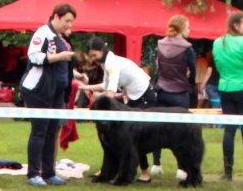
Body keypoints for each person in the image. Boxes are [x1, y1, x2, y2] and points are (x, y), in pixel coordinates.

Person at [78, 37, 157, 181]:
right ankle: (110, 170)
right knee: (128, 136)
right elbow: (105, 85)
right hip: (134, 96)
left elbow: (111, 91)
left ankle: (145, 173)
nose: (93, 59)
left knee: (136, 136)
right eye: (91, 56)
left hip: (144, 96)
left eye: (94, 55)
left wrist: (103, 105)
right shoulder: (106, 63)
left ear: (102, 51)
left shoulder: (111, 64)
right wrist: (87, 88)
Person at [19, 4, 76, 186]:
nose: (69, 25)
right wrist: (59, 57)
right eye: (67, 21)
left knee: (52, 132)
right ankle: (33, 173)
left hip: (57, 92)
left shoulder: (61, 37)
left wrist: (74, 74)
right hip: (39, 91)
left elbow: (62, 66)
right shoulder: (42, 33)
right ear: (56, 17)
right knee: (39, 131)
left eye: (71, 22)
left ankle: (49, 172)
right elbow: (33, 57)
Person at [211, 11, 243, 181]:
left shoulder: (218, 42)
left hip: (226, 88)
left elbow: (218, 65)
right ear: (236, 26)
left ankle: (228, 172)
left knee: (229, 130)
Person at [151, 14, 195, 174]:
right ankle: (181, 168)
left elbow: (157, 67)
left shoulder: (160, 44)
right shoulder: (187, 47)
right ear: (182, 28)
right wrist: (190, 81)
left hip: (162, 90)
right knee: (182, 131)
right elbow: (193, 70)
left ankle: (156, 164)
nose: (189, 30)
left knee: (157, 128)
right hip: (180, 92)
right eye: (188, 27)